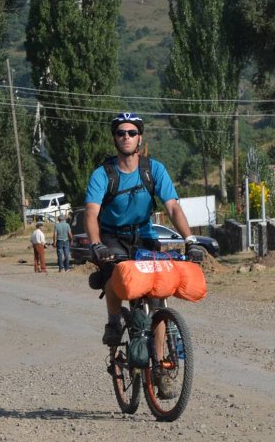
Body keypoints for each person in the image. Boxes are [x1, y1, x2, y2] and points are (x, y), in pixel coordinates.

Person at [84, 111, 205, 398]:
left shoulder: (154, 170)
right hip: (112, 236)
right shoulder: (103, 174)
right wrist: (96, 244)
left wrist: (190, 240)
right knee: (113, 274)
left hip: (144, 236)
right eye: (120, 133)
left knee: (157, 295)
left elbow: (173, 207)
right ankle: (114, 322)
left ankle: (162, 368)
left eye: (131, 133)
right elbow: (91, 213)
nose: (126, 137)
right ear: (115, 138)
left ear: (140, 137)